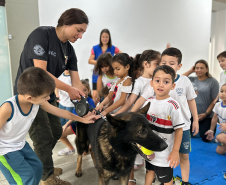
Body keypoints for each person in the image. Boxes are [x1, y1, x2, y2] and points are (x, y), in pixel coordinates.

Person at [13, 8, 89, 184]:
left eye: (83, 32)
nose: (80, 36)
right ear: (66, 22)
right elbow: (41, 72)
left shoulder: (69, 51)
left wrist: (84, 100)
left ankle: (41, 163)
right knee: (42, 136)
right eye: (78, 30)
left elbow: (77, 82)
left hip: (47, 95)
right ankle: (47, 177)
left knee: (55, 131)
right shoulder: (42, 35)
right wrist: (69, 89)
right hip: (29, 96)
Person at [0, 67, 99, 185]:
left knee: (37, 168)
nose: (48, 98)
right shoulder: (8, 108)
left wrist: (82, 119)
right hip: (5, 150)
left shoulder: (37, 102)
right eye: (45, 96)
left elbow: (60, 112)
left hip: (20, 144)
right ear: (30, 97)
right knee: (26, 177)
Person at [131, 47, 199, 185]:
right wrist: (131, 114)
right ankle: (165, 178)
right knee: (163, 155)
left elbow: (191, 100)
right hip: (163, 128)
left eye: (171, 63)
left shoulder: (184, 81)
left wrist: (196, 120)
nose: (167, 65)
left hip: (183, 125)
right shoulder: (158, 81)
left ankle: (185, 182)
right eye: (164, 62)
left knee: (183, 155)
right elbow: (141, 99)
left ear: (179, 66)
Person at [114, 49, 160, 185]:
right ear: (146, 64)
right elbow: (130, 101)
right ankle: (132, 177)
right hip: (143, 119)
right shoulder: (139, 82)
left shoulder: (158, 79)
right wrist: (124, 116)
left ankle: (154, 172)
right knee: (136, 146)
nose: (159, 67)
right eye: (157, 64)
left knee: (153, 147)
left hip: (158, 117)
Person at [144, 65, 184, 185]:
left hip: (165, 155)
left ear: (173, 86)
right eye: (157, 81)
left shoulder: (173, 105)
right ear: (151, 83)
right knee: (149, 171)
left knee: (166, 180)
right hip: (150, 151)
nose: (161, 85)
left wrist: (175, 151)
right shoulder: (148, 102)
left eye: (166, 82)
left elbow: (179, 130)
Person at [184, 59, 219, 142]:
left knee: (206, 138)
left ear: (207, 69)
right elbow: (177, 79)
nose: (199, 70)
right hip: (191, 114)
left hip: (206, 115)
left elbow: (214, 101)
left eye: (201, 68)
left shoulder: (213, 82)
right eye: (197, 68)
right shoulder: (191, 79)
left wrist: (206, 114)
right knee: (184, 135)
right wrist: (190, 71)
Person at [58, 79, 95, 156]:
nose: (83, 93)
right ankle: (71, 149)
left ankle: (89, 145)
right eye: (80, 90)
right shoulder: (76, 103)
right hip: (76, 126)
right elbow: (74, 117)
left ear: (89, 90)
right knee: (59, 134)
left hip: (88, 128)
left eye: (85, 90)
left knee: (84, 152)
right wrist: (66, 125)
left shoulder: (90, 101)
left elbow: (89, 115)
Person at [88, 29, 121, 102]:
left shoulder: (113, 48)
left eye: (106, 37)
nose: (105, 39)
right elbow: (90, 60)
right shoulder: (95, 48)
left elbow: (121, 55)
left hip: (110, 74)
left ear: (109, 38)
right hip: (98, 73)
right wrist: (101, 63)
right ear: (100, 38)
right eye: (103, 37)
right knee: (96, 95)